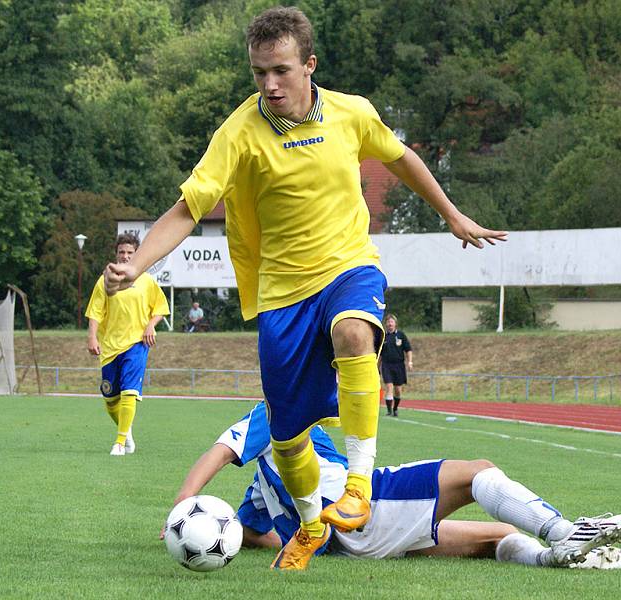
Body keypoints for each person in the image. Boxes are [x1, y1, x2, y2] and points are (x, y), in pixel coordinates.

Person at [104, 6, 507, 569]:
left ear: (309, 66)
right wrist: (138, 265)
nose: (270, 84)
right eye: (259, 73)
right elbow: (188, 209)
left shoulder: (352, 114)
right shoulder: (239, 132)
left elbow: (401, 156)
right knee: (289, 436)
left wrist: (453, 216)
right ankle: (311, 524)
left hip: (348, 268)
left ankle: (359, 485)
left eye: (282, 70)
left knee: (354, 334)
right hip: (282, 298)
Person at [164, 401, 621, 570]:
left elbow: (250, 533)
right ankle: (564, 532)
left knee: (493, 539)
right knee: (478, 471)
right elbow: (220, 450)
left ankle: (557, 558)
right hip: (371, 507)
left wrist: (207, 535)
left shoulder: (262, 489)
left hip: (354, 546)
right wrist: (184, 505)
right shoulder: (275, 413)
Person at [86, 233, 169, 456]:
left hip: (137, 343)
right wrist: (92, 337)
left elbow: (160, 308)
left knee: (129, 391)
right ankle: (127, 431)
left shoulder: (146, 281)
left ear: (136, 255)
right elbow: (95, 312)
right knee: (111, 400)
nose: (125, 256)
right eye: (121, 252)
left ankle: (120, 443)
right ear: (116, 254)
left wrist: (151, 326)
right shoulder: (105, 281)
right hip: (110, 347)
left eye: (130, 253)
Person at [380, 314, 412, 417]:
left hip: (399, 365)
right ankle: (389, 411)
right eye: (388, 322)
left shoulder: (401, 335)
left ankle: (395, 408)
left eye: (391, 322)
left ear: (395, 323)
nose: (390, 324)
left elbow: (408, 350)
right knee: (389, 387)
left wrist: (409, 362)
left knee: (398, 390)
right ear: (386, 324)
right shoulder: (383, 337)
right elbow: (379, 354)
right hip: (386, 365)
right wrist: (377, 367)